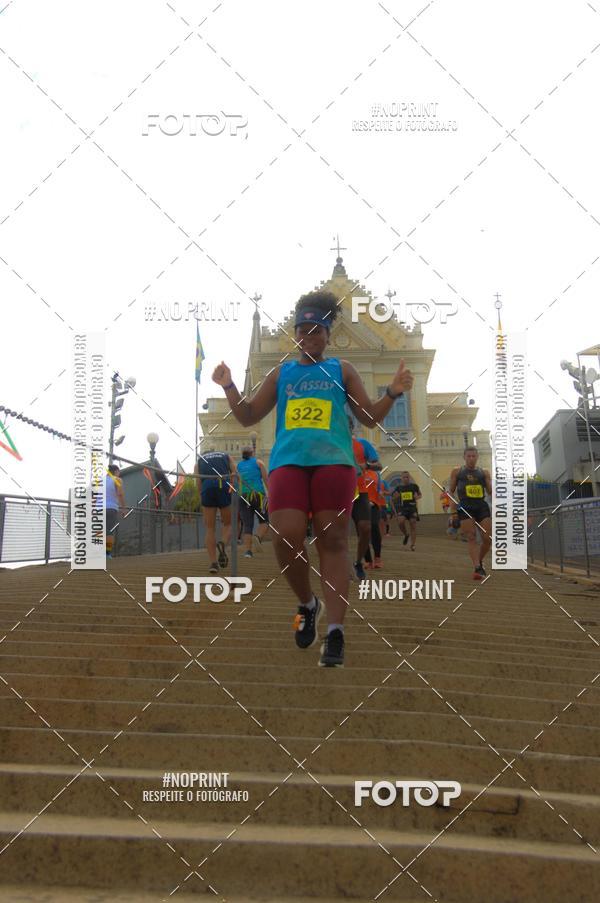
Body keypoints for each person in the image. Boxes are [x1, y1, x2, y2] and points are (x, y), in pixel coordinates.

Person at [212, 289, 413, 667]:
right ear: (296, 335)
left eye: (316, 331)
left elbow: (369, 417)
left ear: (327, 335)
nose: (309, 337)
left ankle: (335, 631)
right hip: (288, 463)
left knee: (332, 541)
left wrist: (392, 392)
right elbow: (248, 415)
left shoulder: (342, 370)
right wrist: (228, 386)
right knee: (285, 534)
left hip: (334, 463)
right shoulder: (282, 373)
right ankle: (307, 603)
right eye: (302, 331)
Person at [448, 446, 492, 579]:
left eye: (473, 456)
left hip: (481, 506)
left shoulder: (484, 472)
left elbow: (490, 492)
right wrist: (453, 512)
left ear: (477, 457)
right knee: (471, 536)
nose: (471, 458)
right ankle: (477, 567)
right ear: (464, 457)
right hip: (465, 506)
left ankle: (479, 561)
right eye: (469, 456)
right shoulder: (457, 471)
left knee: (487, 539)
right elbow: (451, 492)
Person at [195, 448, 236, 574]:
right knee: (228, 523)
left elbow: (198, 482)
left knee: (210, 528)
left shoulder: (199, 461)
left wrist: (202, 497)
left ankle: (213, 563)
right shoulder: (226, 455)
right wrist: (232, 488)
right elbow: (235, 473)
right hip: (223, 484)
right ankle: (223, 542)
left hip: (207, 486)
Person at [350, 419, 379, 580]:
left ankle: (358, 562)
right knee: (336, 532)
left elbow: (378, 465)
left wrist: (366, 466)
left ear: (351, 428)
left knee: (365, 527)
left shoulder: (362, 444)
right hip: (337, 492)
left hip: (359, 491)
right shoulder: (330, 444)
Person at [237, 446, 269, 558]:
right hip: (259, 495)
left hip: (244, 496)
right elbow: (266, 480)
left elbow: (237, 482)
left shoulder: (238, 466)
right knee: (265, 521)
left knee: (247, 525)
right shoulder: (259, 463)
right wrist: (271, 494)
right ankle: (258, 537)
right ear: (253, 453)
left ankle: (248, 552)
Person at [363, 463, 384, 569]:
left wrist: (377, 497)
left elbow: (379, 489)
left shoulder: (375, 474)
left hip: (373, 505)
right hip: (360, 504)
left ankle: (377, 557)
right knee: (363, 531)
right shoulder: (356, 473)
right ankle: (368, 560)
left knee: (374, 526)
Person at [395, 471, 422, 551]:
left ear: (409, 478)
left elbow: (420, 495)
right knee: (400, 522)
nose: (406, 479)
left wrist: (417, 497)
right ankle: (406, 534)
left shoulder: (414, 486)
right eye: (404, 477)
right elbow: (394, 497)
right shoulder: (399, 487)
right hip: (403, 508)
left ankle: (412, 545)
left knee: (413, 523)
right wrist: (396, 497)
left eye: (407, 477)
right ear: (401, 478)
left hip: (412, 508)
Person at [105, 464, 125, 558]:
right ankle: (107, 554)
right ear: (116, 471)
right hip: (111, 508)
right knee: (109, 532)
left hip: (98, 508)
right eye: (118, 472)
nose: (119, 474)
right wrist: (123, 508)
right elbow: (120, 494)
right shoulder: (117, 480)